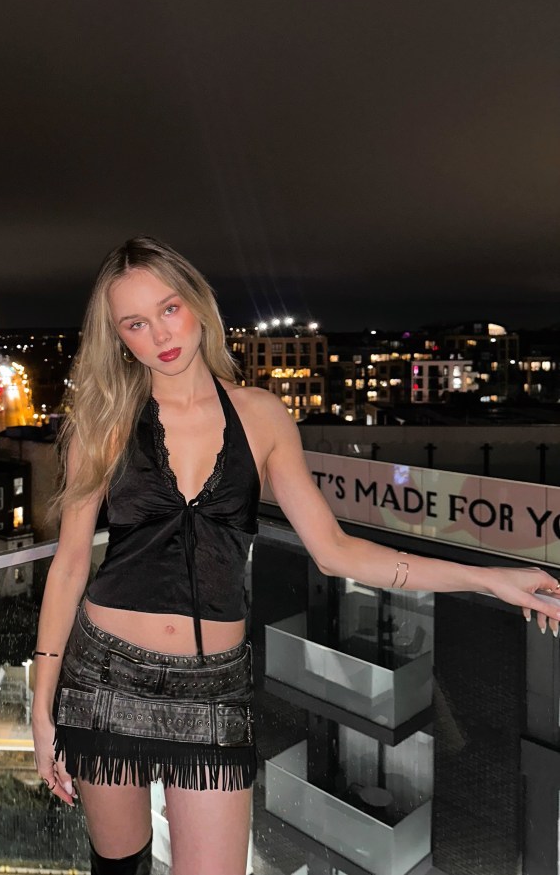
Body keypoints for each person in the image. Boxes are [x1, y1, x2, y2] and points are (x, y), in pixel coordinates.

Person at [32, 236, 560, 875]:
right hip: (104, 678)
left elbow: (336, 553)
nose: (161, 334)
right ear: (118, 337)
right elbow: (70, 566)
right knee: (120, 866)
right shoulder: (104, 421)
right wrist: (41, 709)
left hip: (214, 689)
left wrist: (489, 578)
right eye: (135, 323)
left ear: (197, 304)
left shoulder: (261, 416)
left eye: (169, 309)